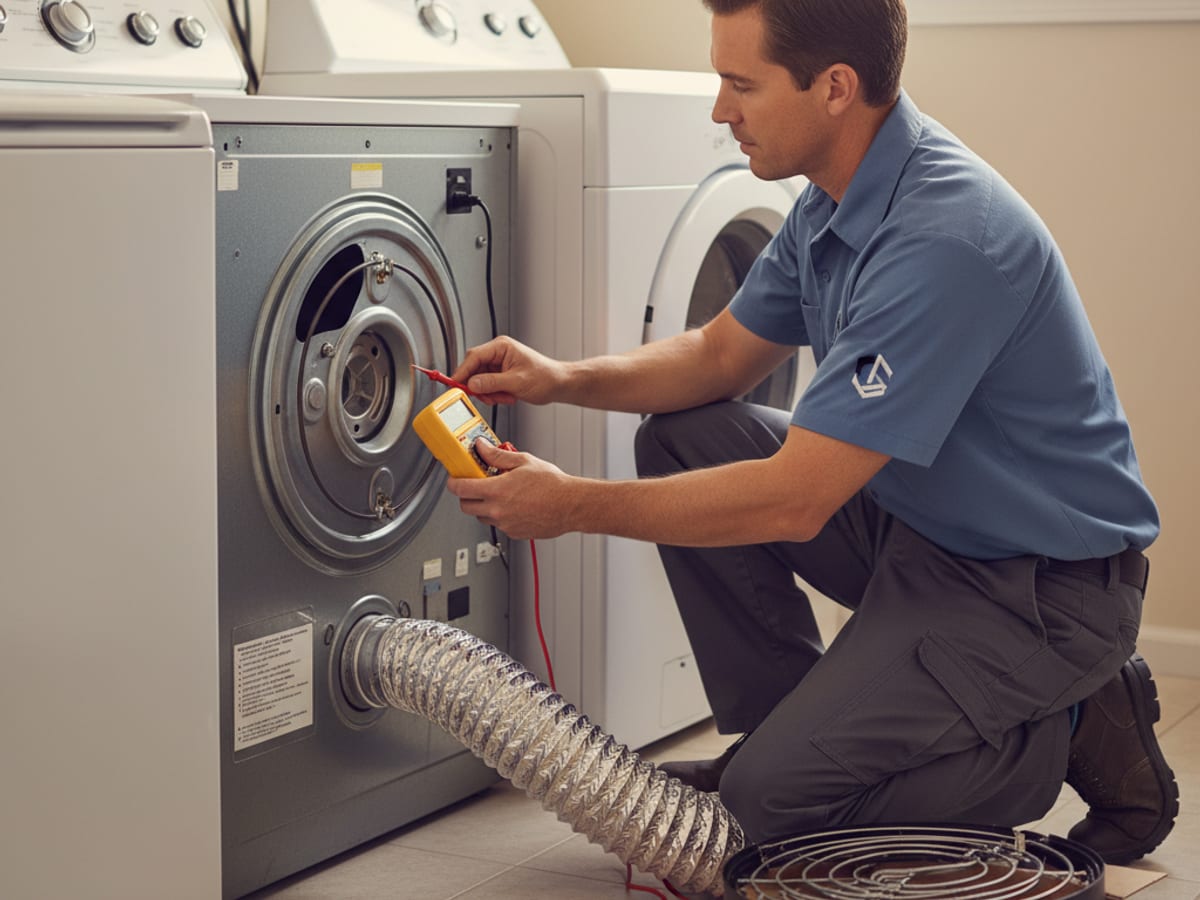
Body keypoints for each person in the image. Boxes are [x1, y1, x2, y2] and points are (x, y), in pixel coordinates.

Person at [446, 0, 1179, 864]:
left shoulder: (947, 238)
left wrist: (569, 505)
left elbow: (795, 500)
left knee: (766, 810)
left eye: (740, 84)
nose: (722, 111)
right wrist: (562, 378)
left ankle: (1070, 726)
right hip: (922, 529)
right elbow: (719, 356)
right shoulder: (837, 199)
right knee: (681, 437)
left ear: (835, 88)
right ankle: (792, 740)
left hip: (1040, 590)